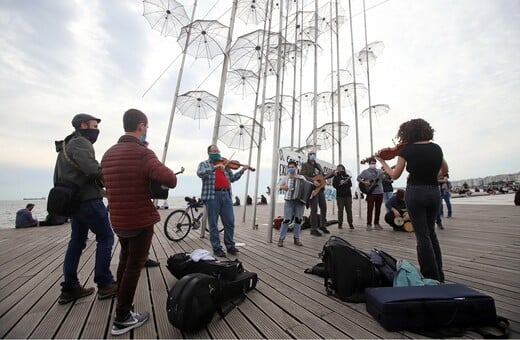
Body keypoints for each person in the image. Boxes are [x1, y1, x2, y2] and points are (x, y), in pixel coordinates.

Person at [101, 109, 177, 335]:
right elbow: (170, 179)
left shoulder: (108, 154)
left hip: (118, 219)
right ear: (141, 126)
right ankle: (122, 317)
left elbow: (104, 180)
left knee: (125, 260)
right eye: (146, 127)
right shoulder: (143, 153)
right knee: (135, 265)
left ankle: (122, 309)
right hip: (139, 219)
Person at [54, 113, 117, 305]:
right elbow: (92, 170)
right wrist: (109, 173)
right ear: (83, 125)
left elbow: (59, 176)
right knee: (106, 237)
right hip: (88, 200)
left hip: (74, 202)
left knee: (77, 241)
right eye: (94, 125)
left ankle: (70, 287)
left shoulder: (67, 144)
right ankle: (105, 283)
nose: (97, 129)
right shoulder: (81, 143)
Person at [376, 118, 449, 282]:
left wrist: (382, 162)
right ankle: (440, 275)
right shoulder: (436, 148)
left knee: (422, 235)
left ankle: (431, 276)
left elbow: (394, 175)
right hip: (433, 193)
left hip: (416, 192)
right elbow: (445, 170)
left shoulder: (407, 150)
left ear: (408, 133)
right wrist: (430, 175)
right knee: (431, 233)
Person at [197, 144, 252, 257]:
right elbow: (200, 173)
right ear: (209, 153)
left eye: (218, 150)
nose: (217, 152)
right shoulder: (204, 164)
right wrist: (215, 167)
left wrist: (242, 170)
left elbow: (232, 179)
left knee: (230, 222)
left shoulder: (225, 165)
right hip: (212, 196)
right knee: (213, 224)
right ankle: (217, 248)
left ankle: (230, 246)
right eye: (214, 151)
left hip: (226, 194)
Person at [300, 150, 332, 236]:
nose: (312, 155)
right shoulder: (305, 165)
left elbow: (322, 176)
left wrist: (332, 174)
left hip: (320, 189)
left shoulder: (318, 166)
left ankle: (322, 225)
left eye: (314, 154)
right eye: (311, 154)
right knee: (314, 209)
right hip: (311, 189)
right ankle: (313, 229)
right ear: (308, 155)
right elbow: (302, 175)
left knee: (323, 207)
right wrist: (312, 180)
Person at [277, 160, 305, 247]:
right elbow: (277, 186)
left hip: (299, 202)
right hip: (289, 201)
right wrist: (282, 187)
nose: (291, 169)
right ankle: (281, 239)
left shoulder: (302, 178)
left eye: (292, 167)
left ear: (296, 168)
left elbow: (306, 188)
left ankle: (296, 238)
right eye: (289, 167)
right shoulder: (286, 178)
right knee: (286, 220)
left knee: (298, 220)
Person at [357, 158, 385, 231]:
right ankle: (368, 224)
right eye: (372, 163)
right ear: (369, 164)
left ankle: (376, 223)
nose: (373, 164)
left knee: (378, 209)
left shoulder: (379, 171)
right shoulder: (365, 172)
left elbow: (384, 178)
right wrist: (365, 182)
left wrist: (386, 174)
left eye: (374, 163)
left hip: (380, 192)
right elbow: (358, 178)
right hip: (371, 192)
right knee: (370, 209)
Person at [332, 164, 354, 229]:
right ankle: (340, 224)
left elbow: (350, 184)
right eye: (339, 168)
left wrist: (345, 182)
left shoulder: (347, 176)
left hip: (348, 195)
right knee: (340, 210)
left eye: (341, 168)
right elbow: (334, 185)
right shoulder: (336, 177)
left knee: (349, 210)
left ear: (344, 169)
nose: (340, 169)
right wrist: (340, 183)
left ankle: (350, 223)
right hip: (340, 196)